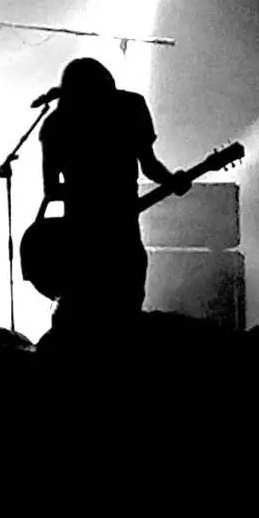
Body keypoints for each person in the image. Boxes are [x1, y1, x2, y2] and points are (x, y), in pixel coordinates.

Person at [36, 56, 177, 339]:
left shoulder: (55, 124)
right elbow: (149, 166)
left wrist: (84, 196)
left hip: (78, 234)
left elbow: (51, 190)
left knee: (80, 311)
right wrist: (172, 181)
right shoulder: (130, 106)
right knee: (125, 306)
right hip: (122, 231)